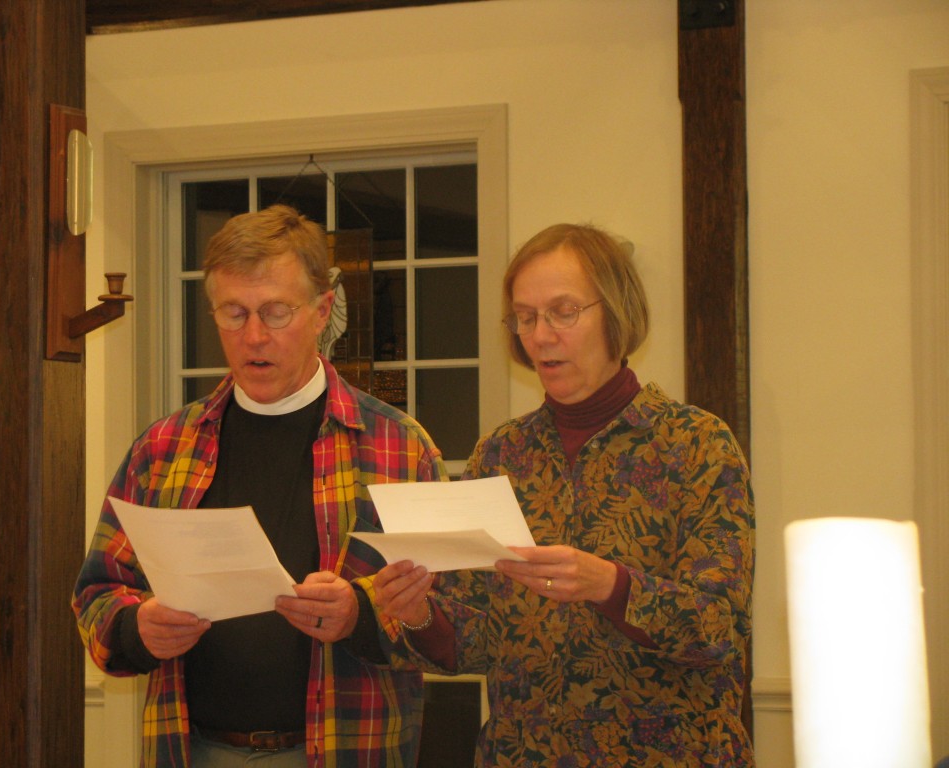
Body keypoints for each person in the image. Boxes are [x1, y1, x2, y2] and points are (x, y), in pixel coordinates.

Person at [73, 204, 446, 768]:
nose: (252, 336)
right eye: (233, 313)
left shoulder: (398, 446)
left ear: (322, 311)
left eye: (275, 313)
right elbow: (97, 592)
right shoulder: (163, 447)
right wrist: (136, 627)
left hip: (346, 747)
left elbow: (445, 618)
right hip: (194, 748)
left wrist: (360, 616)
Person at [375, 222, 755, 766]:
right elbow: (478, 640)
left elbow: (720, 628)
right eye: (525, 317)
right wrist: (417, 614)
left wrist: (611, 585)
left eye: (563, 311)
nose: (541, 335)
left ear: (616, 312)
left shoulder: (696, 445)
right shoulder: (502, 454)